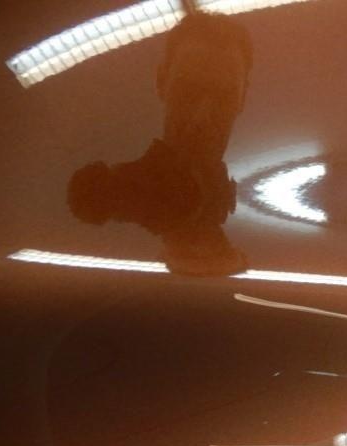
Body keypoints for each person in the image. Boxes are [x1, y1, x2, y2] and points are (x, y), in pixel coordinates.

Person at [68, 11, 253, 276]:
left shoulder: (231, 199)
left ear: (242, 98)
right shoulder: (102, 194)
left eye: (224, 97)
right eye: (188, 92)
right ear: (161, 81)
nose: (201, 118)